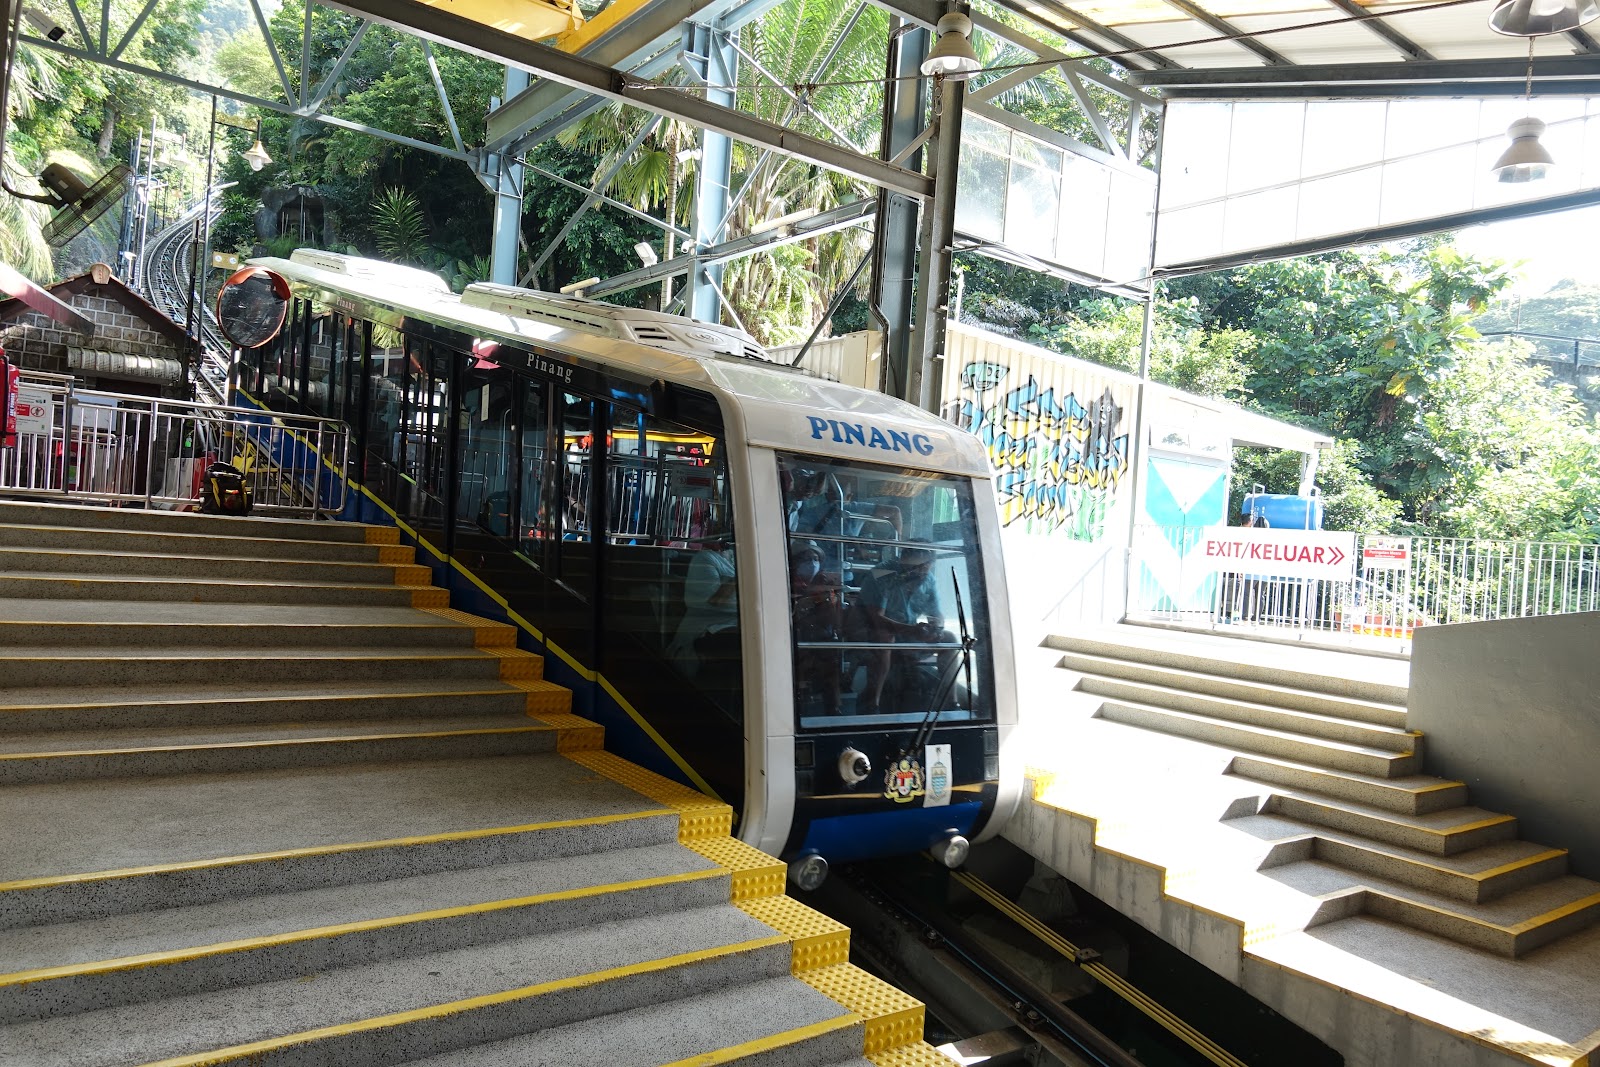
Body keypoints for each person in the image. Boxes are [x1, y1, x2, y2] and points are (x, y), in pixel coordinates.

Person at [853, 547, 947, 714]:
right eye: (917, 565)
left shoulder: (928, 579)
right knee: (885, 638)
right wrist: (913, 631)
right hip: (868, 630)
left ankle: (950, 701)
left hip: (907, 631)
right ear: (903, 559)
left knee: (950, 639)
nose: (922, 570)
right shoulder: (882, 573)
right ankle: (873, 703)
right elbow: (876, 619)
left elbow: (936, 613)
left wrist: (936, 628)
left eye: (927, 565)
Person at [669, 540, 739, 682]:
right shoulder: (705, 559)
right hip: (701, 641)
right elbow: (716, 602)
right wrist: (740, 578)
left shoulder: (736, 561)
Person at [789, 541, 843, 714]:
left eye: (815, 558)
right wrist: (810, 595)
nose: (812, 563)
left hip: (821, 636)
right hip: (792, 635)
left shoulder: (825, 584)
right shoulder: (786, 581)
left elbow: (835, 621)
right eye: (806, 559)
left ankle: (834, 707)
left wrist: (833, 597)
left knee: (831, 662)